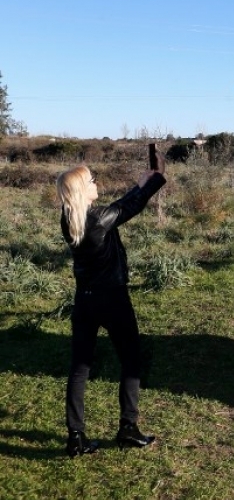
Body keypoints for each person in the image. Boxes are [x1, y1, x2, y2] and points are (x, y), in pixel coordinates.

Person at [57, 153, 166, 457]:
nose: (96, 183)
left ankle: (76, 437)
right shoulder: (97, 219)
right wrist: (156, 177)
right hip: (112, 299)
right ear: (81, 189)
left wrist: (139, 184)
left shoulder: (71, 218)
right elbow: (127, 208)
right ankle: (128, 429)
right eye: (91, 180)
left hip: (85, 300)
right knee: (131, 360)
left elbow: (117, 209)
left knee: (79, 368)